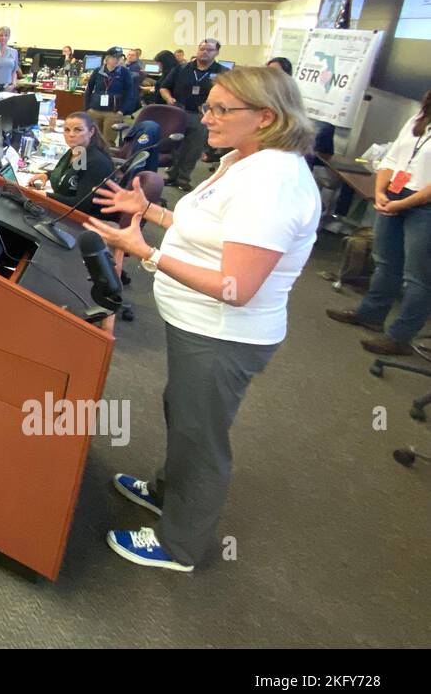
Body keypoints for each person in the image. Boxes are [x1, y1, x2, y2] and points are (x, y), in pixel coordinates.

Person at [87, 66, 320, 573]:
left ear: (266, 116)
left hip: (224, 334)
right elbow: (214, 232)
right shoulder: (244, 160)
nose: (204, 118)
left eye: (220, 110)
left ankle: (179, 544)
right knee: (183, 411)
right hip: (197, 326)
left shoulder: (273, 183)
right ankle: (167, 493)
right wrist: (151, 212)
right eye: (207, 106)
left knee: (201, 437)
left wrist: (145, 253)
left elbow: (235, 288)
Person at [327, 88, 431, 356]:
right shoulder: (418, 118)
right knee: (386, 261)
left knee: (418, 276)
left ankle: (400, 337)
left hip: (424, 205)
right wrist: (381, 192)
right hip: (394, 194)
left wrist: (402, 203)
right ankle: (370, 315)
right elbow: (392, 159)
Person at [158, 37, 227, 190]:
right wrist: (169, 99)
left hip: (202, 116)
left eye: (209, 50)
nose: (204, 52)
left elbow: (229, 96)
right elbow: (164, 87)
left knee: (193, 149)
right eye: (202, 48)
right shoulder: (182, 69)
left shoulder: (222, 72)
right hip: (179, 113)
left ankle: (183, 178)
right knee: (175, 146)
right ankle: (171, 174)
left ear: (216, 52)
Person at [26, 112, 116, 216]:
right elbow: (75, 174)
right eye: (67, 130)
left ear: (91, 132)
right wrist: (47, 175)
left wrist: (46, 196)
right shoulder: (78, 151)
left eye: (78, 130)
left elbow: (82, 205)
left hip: (84, 221)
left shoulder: (96, 163)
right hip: (64, 211)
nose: (71, 134)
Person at [84, 47, 138, 143]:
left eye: (119, 57)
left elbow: (130, 93)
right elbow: (89, 89)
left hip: (113, 112)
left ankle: (106, 158)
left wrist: (122, 111)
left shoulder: (124, 72)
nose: (117, 60)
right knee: (92, 139)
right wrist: (87, 108)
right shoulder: (98, 71)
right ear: (107, 58)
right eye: (114, 57)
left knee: (108, 142)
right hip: (94, 110)